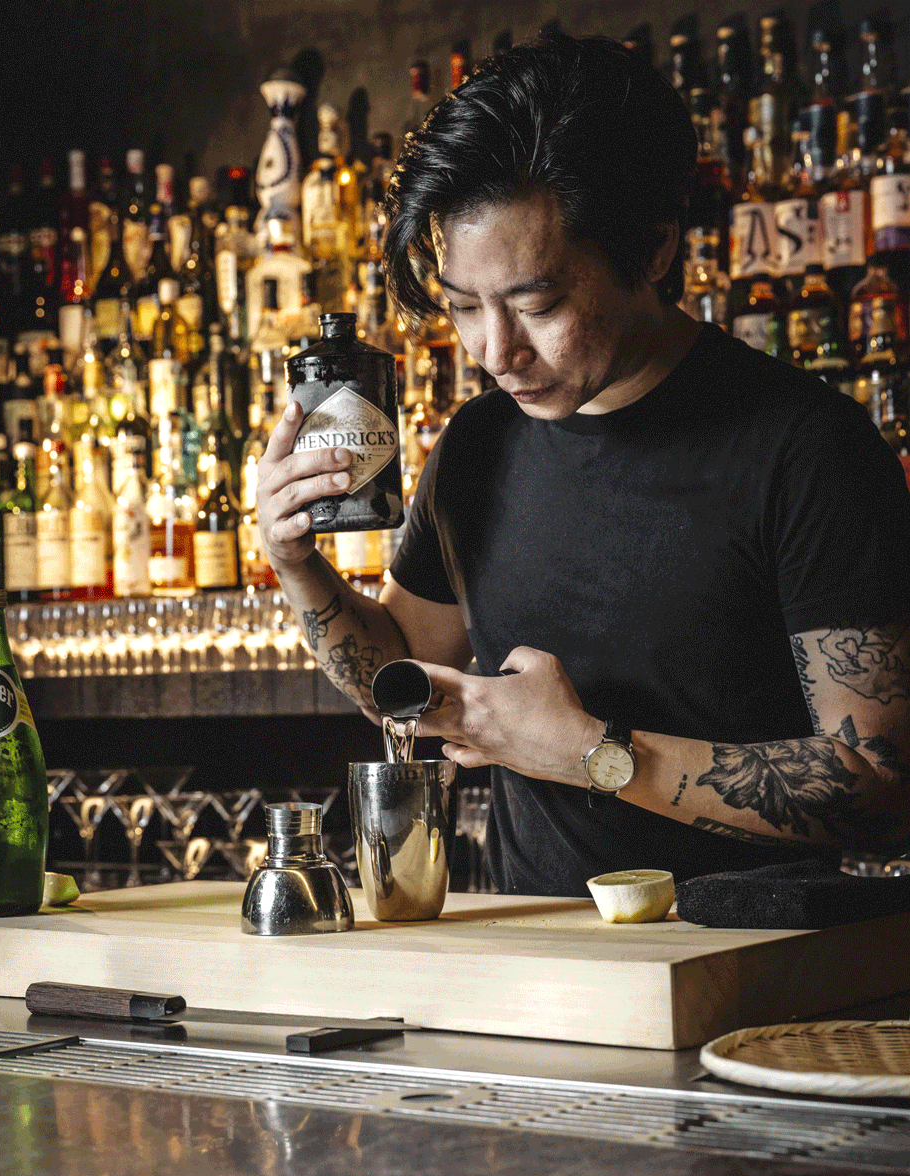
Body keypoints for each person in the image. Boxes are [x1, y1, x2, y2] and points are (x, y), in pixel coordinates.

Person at [256, 32, 910, 897]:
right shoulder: (477, 446)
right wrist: (296, 564)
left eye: (538, 304)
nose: (496, 352)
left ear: (654, 250)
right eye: (463, 308)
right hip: (540, 953)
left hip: (750, 961)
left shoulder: (806, 446)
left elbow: (882, 789)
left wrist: (591, 754)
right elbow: (406, 680)